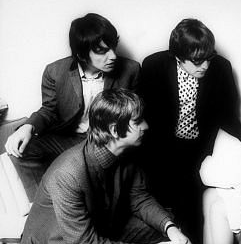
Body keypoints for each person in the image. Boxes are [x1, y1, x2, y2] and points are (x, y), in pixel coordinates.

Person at [20, 89, 198, 244]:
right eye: (137, 122)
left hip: (101, 227)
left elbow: (138, 198)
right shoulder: (67, 174)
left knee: (173, 233)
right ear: (114, 130)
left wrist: (170, 227)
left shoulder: (127, 152)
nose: (146, 126)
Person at [5, 13, 140, 201]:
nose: (113, 56)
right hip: (67, 138)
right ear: (81, 54)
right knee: (20, 149)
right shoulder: (55, 72)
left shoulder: (131, 70)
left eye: (113, 47)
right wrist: (29, 127)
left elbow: (133, 115)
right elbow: (49, 110)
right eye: (102, 51)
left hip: (103, 140)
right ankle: (45, 203)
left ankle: (83, 205)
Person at [139, 18, 241, 244]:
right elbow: (141, 113)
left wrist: (228, 156)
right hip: (162, 148)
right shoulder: (153, 66)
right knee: (159, 208)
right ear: (177, 56)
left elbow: (230, 117)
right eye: (197, 61)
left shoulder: (222, 68)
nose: (204, 66)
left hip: (201, 150)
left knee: (196, 209)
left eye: (208, 58)